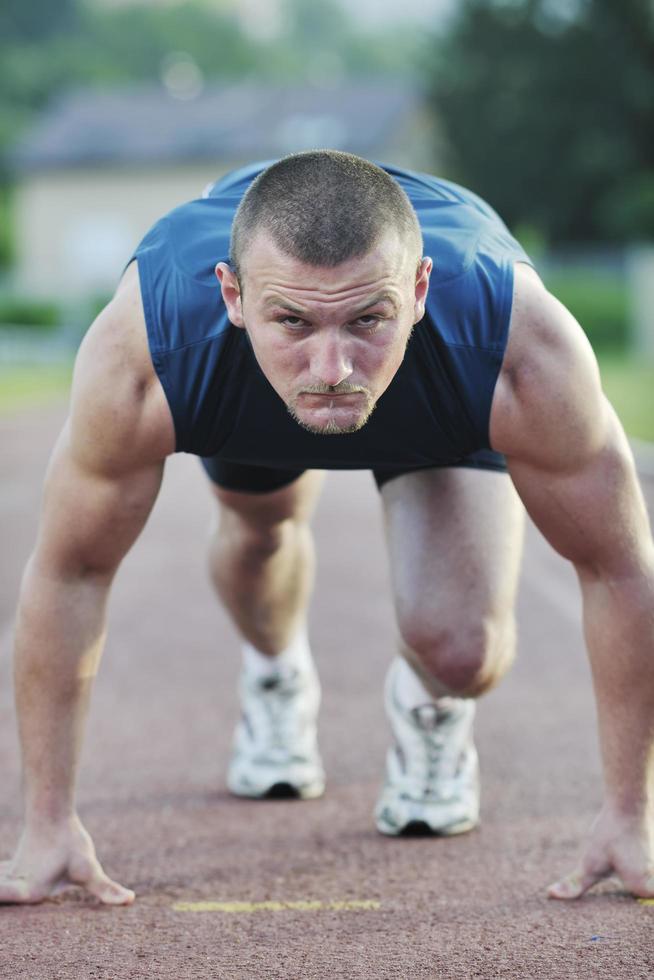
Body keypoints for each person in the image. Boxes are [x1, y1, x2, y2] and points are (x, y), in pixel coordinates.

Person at [1, 151, 653, 906]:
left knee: (463, 647)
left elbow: (620, 568)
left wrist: (632, 813)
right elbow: (70, 570)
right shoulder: (149, 354)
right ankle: (277, 676)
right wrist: (46, 823)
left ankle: (428, 703)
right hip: (244, 384)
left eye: (367, 318)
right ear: (233, 296)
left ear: (416, 291)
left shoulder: (517, 350)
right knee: (259, 540)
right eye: (294, 322)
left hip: (437, 388)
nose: (335, 366)